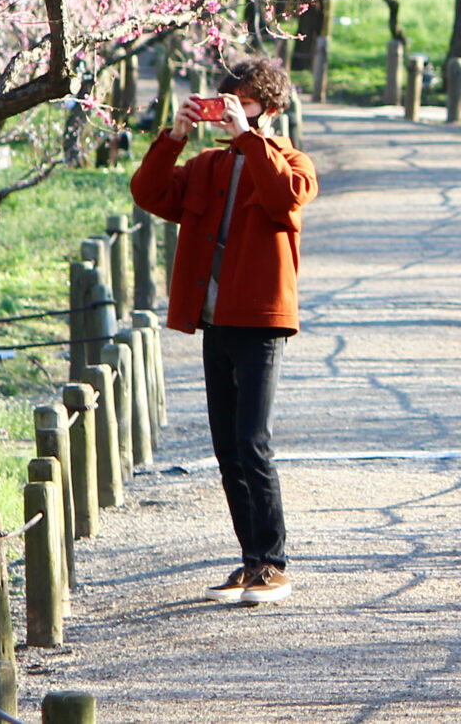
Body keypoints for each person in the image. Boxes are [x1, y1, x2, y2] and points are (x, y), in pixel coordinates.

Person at [129, 55, 318, 606]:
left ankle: (275, 563)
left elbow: (285, 199)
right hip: (214, 319)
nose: (232, 110)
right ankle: (251, 560)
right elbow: (150, 194)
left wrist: (251, 139)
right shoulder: (209, 164)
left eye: (245, 102)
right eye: (227, 100)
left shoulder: (291, 161)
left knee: (253, 441)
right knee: (226, 448)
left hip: (260, 321)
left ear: (270, 109)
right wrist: (175, 137)